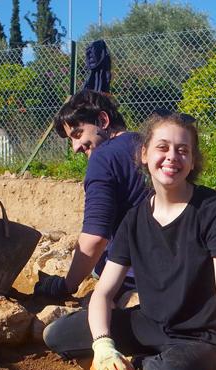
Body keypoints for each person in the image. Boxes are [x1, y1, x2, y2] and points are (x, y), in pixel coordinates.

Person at [44, 112, 216, 370]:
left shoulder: (215, 211)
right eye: (163, 147)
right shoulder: (133, 219)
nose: (172, 157)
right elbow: (103, 293)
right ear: (144, 154)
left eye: (183, 151)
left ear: (193, 162)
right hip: (152, 324)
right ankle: (127, 362)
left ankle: (141, 367)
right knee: (58, 334)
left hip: (201, 337)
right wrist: (103, 345)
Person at [33, 90, 148, 299]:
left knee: (97, 268)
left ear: (103, 120)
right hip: (170, 268)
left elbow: (95, 238)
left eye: (78, 134)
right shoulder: (146, 144)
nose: (76, 147)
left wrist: (67, 285)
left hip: (135, 277)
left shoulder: (103, 159)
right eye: (71, 140)